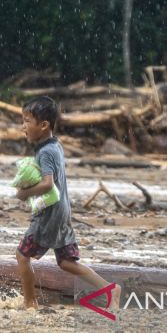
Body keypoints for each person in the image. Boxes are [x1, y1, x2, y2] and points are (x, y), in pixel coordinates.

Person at [15, 96, 121, 310]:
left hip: (49, 215)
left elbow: (47, 184)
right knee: (66, 262)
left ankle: (30, 303)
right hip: (62, 211)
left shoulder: (45, 152)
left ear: (43, 125)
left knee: (22, 256)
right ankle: (110, 289)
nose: (22, 126)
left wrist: (24, 193)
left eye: (27, 121)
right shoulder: (55, 145)